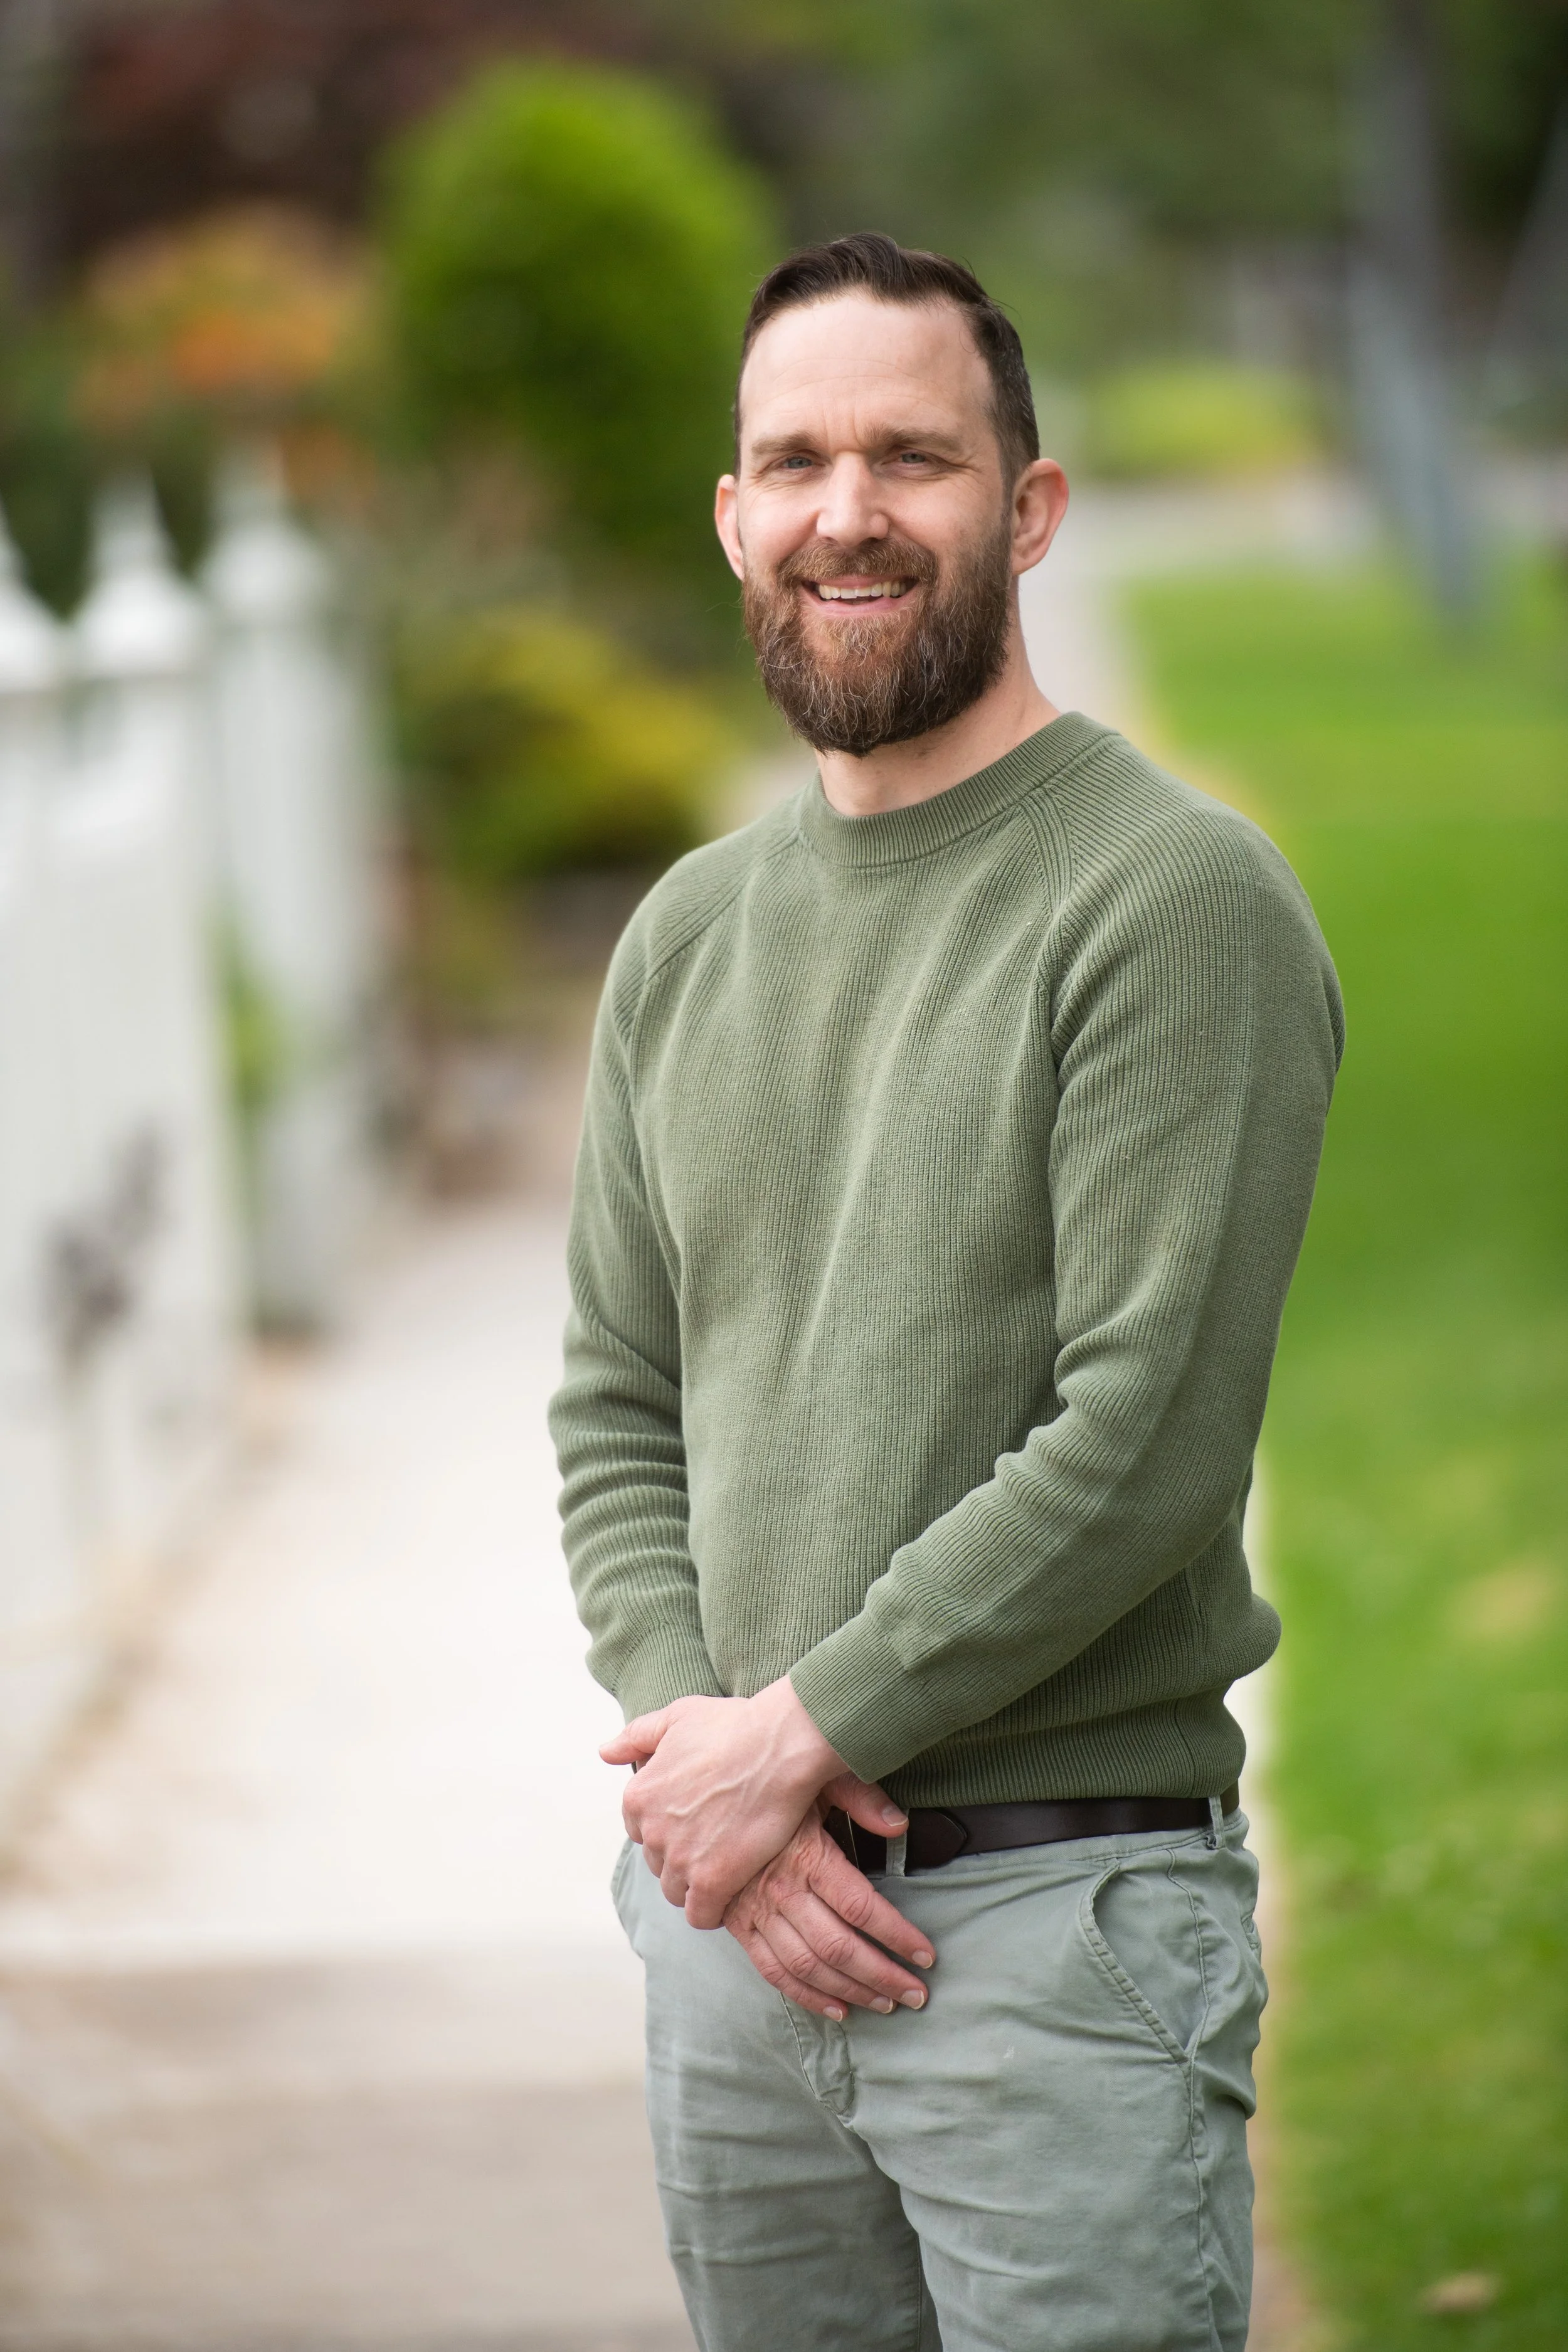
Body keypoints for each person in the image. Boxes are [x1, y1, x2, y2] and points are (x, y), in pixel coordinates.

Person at [549, 231, 1342, 2352]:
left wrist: (797, 1738)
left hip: (1051, 1948)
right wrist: (709, 1781)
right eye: (791, 459)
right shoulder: (688, 935)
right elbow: (617, 1400)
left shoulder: (1172, 902)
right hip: (734, 1931)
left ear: (1028, 505)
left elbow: (1144, 1438)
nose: (845, 513)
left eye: (910, 455)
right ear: (730, 514)